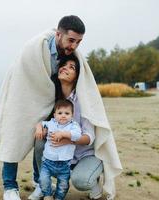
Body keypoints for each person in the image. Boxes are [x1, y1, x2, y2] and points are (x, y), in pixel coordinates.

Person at [0, 15, 122, 200]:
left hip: (53, 103)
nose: (74, 46)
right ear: (58, 34)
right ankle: (10, 187)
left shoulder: (72, 57)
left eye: (78, 42)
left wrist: (66, 135)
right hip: (25, 97)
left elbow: (83, 80)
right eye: (71, 40)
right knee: (13, 137)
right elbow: (22, 75)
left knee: (43, 140)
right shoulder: (34, 48)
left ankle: (39, 181)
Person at [29, 54, 104, 200]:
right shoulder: (52, 97)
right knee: (39, 140)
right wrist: (40, 127)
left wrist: (68, 139)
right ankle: (42, 184)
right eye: (64, 65)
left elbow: (89, 137)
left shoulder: (83, 101)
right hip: (61, 155)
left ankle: (94, 179)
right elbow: (45, 122)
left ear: (77, 76)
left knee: (81, 181)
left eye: (72, 67)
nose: (65, 68)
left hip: (84, 154)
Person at [35, 99, 81, 200]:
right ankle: (47, 194)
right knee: (43, 180)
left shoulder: (73, 126)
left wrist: (63, 134)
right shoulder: (51, 123)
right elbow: (41, 123)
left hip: (64, 164)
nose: (63, 115)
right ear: (55, 115)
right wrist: (38, 128)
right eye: (60, 113)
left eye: (67, 113)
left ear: (72, 115)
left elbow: (77, 136)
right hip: (47, 162)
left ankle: (58, 197)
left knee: (63, 185)